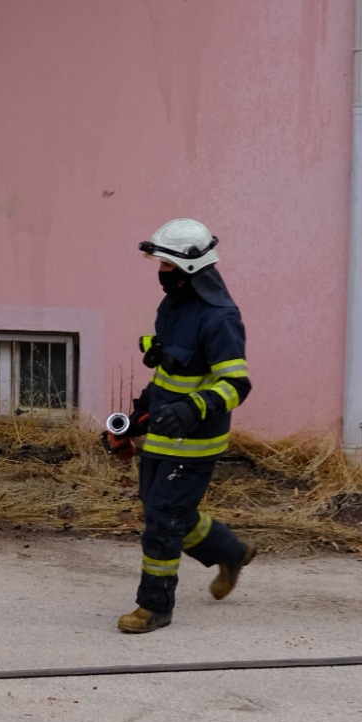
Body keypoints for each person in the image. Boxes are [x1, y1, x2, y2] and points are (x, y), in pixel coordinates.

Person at [118, 218, 254, 633]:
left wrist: (194, 408)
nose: (160, 272)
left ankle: (155, 606)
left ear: (190, 268)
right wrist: (136, 417)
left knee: (163, 518)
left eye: (166, 265)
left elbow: (236, 384)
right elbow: (166, 375)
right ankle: (230, 551)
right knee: (166, 510)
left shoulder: (220, 319)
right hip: (161, 431)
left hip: (195, 443)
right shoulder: (173, 309)